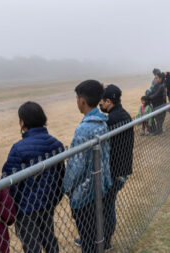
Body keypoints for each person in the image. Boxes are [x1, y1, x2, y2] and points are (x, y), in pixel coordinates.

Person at [2, 101, 65, 253]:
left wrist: (17, 204)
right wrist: (54, 198)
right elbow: (60, 176)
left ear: (22, 122)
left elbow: (10, 180)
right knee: (49, 237)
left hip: (26, 207)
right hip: (48, 201)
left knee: (31, 244)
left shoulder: (18, 149)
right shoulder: (56, 144)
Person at [62, 80, 112, 253]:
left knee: (87, 236)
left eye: (77, 98)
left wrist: (67, 188)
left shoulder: (84, 129)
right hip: (99, 186)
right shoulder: (102, 122)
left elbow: (76, 165)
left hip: (85, 192)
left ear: (82, 100)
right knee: (95, 231)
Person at [98, 84, 134, 250]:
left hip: (114, 171)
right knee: (108, 205)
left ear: (109, 101)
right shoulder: (123, 114)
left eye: (102, 101)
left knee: (106, 207)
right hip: (122, 169)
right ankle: (104, 240)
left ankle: (104, 242)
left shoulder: (112, 119)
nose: (100, 104)